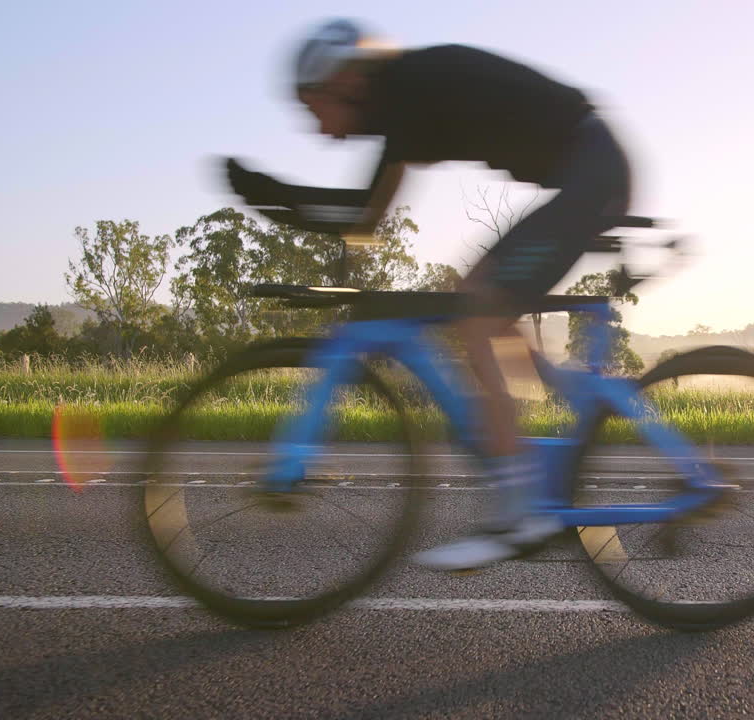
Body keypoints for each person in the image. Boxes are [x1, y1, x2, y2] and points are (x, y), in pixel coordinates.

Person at [225, 19, 632, 570]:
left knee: (477, 306)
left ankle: (522, 511)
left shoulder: (408, 87)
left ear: (342, 79)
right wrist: (292, 207)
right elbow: (368, 219)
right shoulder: (406, 96)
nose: (320, 130)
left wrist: (277, 196)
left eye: (314, 107)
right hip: (587, 166)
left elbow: (364, 210)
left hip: (594, 167)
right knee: (471, 296)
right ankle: (559, 397)